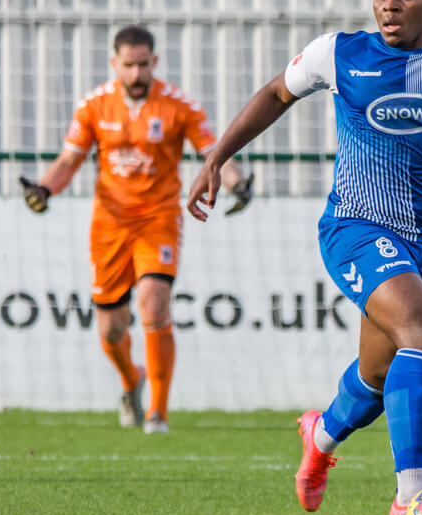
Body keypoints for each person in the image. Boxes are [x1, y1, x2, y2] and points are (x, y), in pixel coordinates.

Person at [185, 0, 422, 515]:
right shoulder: (338, 53)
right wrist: (217, 155)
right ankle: (411, 501)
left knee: (375, 380)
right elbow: (274, 94)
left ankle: (319, 435)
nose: (390, 6)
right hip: (356, 227)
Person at [21, 26, 251, 434]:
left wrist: (235, 181)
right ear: (115, 64)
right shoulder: (94, 105)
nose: (136, 72)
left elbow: (214, 155)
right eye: (128, 65)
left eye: (143, 64)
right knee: (111, 330)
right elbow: (68, 161)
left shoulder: (179, 106)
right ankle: (131, 379)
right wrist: (43, 189)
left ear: (154, 62)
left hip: (158, 219)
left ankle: (157, 412)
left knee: (153, 303)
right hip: (109, 225)